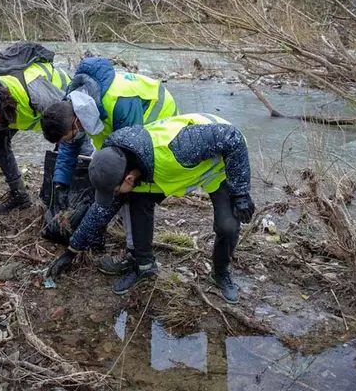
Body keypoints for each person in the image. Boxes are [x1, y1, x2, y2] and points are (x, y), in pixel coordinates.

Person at [45, 113, 256, 304]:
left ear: (128, 177)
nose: (116, 194)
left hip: (219, 163)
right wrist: (71, 252)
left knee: (227, 226)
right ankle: (144, 267)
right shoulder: (120, 159)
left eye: (116, 190)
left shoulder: (180, 147)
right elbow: (101, 213)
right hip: (169, 170)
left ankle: (219, 273)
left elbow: (232, 138)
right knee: (137, 202)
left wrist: (241, 192)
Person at [40, 56, 178, 252]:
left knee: (132, 185)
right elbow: (70, 147)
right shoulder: (72, 104)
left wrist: (115, 188)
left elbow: (133, 151)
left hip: (157, 119)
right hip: (122, 125)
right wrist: (60, 183)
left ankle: (135, 253)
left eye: (68, 137)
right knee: (108, 175)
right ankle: (115, 219)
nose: (68, 142)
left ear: (76, 123)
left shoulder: (120, 103)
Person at [0, 42, 73, 221]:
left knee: (65, 144)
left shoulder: (35, 91)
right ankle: (20, 197)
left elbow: (73, 123)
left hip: (64, 102)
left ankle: (71, 199)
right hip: (27, 110)